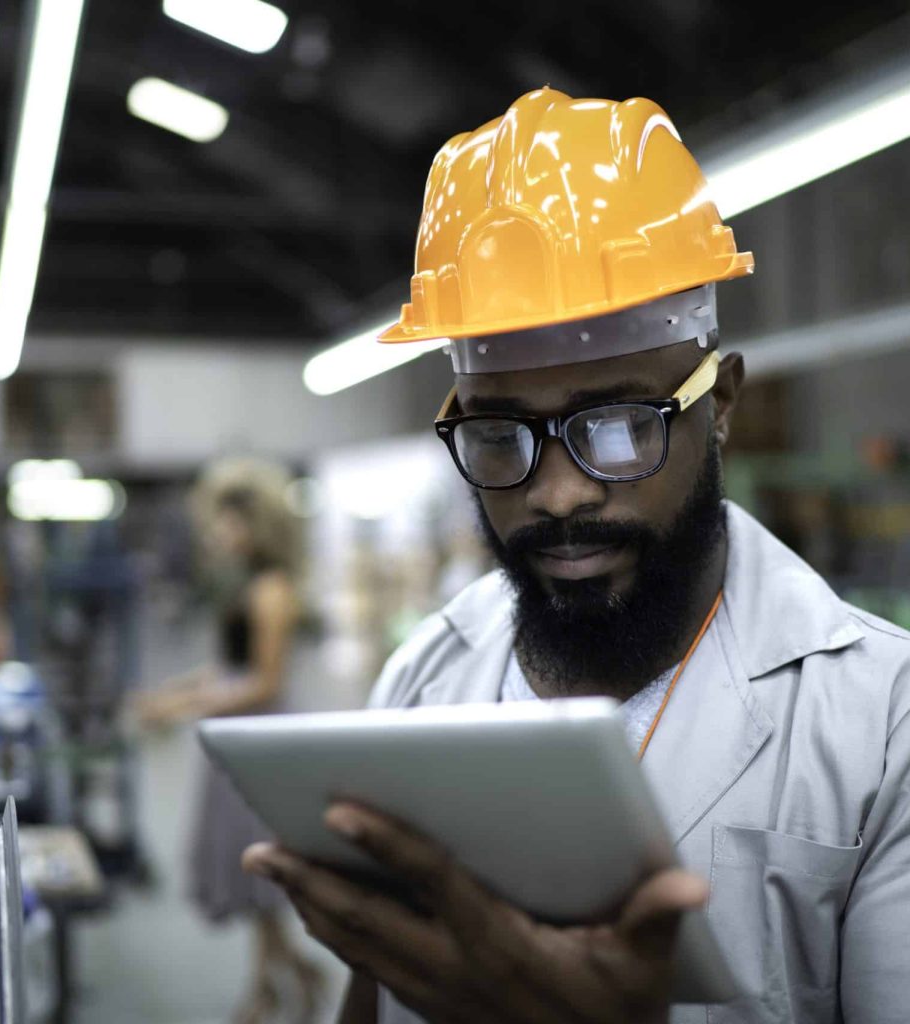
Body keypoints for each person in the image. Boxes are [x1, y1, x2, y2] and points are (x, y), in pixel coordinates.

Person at [242, 89, 910, 1024]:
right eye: (502, 436)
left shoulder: (881, 726)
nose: (558, 495)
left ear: (720, 404)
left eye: (620, 426)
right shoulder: (427, 679)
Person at [132, 458, 324, 1024]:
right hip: (239, 736)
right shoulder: (243, 588)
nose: (218, 534)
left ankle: (265, 992)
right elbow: (228, 668)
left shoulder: (271, 591)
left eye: (229, 523)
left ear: (256, 525)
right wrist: (172, 693)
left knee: (262, 871)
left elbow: (265, 681)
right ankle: (294, 976)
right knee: (252, 873)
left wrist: (185, 707)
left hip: (263, 739)